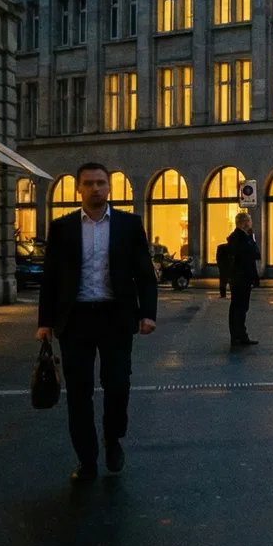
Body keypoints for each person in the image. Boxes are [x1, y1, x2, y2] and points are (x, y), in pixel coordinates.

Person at [37, 162, 159, 483]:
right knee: (78, 392)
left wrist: (148, 313)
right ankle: (87, 458)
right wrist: (44, 322)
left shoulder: (129, 225)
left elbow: (144, 273)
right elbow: (51, 278)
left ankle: (113, 437)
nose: (95, 188)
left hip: (115, 317)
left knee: (117, 384)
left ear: (109, 187)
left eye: (101, 183)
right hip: (75, 319)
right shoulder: (62, 227)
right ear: (78, 188)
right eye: (89, 183)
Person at [226, 214, 260, 347]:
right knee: (240, 308)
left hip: (238, 277)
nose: (251, 223)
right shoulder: (242, 238)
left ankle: (238, 335)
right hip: (242, 277)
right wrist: (252, 238)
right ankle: (238, 335)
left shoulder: (236, 237)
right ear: (245, 222)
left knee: (238, 307)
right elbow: (255, 254)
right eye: (250, 220)